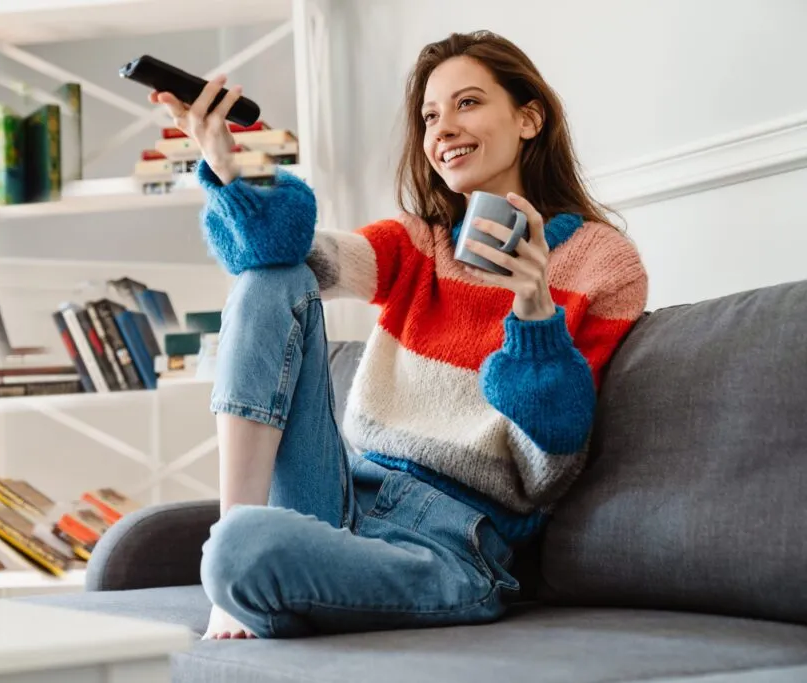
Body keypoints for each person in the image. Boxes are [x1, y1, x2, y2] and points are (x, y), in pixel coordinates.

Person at [148, 29, 648, 640]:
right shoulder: (420, 243)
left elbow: (552, 466)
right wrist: (229, 163)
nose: (442, 130)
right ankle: (236, 563)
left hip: (451, 543)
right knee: (268, 280)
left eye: (467, 104)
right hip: (340, 499)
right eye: (430, 116)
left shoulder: (602, 262)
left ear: (528, 117)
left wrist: (534, 312)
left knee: (245, 552)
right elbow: (278, 252)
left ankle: (246, 567)